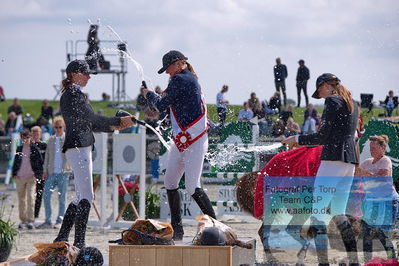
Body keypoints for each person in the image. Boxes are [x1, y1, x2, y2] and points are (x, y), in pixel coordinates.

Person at [53, 59, 134, 248]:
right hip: (79, 147)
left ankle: (62, 237)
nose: (89, 76)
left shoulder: (74, 93)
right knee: (87, 196)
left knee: (79, 195)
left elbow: (92, 124)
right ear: (74, 74)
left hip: (81, 147)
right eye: (86, 73)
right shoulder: (73, 94)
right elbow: (92, 118)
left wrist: (116, 125)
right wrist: (118, 121)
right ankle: (79, 242)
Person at [282, 73, 359, 265]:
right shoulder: (354, 103)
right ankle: (354, 261)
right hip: (349, 163)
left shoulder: (333, 102)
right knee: (339, 213)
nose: (321, 95)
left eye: (320, 91)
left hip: (332, 160)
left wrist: (297, 139)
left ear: (326, 85)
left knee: (318, 212)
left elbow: (323, 137)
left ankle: (323, 262)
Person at [143, 50, 216, 240]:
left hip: (194, 140)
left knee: (192, 186)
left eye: (168, 68)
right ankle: (178, 230)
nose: (167, 72)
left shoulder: (180, 80)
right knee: (170, 182)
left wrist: (149, 94)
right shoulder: (186, 78)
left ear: (178, 64)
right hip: (185, 140)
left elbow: (161, 105)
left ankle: (217, 226)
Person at [356, 135, 397, 262]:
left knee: (380, 233)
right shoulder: (367, 162)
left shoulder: (386, 161)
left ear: (383, 148)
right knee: (366, 232)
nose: (371, 150)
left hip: (387, 201)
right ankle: (368, 261)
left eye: (374, 147)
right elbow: (356, 172)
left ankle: (393, 259)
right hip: (372, 202)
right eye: (370, 148)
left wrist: (365, 174)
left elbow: (382, 179)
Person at [38, 117, 71, 229]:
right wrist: (45, 171)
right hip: (51, 172)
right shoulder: (51, 139)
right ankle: (47, 220)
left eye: (60, 127)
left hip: (64, 172)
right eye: (56, 127)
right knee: (46, 195)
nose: (58, 129)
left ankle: (59, 220)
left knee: (62, 198)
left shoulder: (67, 138)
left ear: (64, 127)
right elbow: (47, 156)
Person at [12, 129, 43, 230]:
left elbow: (40, 162)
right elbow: (16, 161)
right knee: (21, 199)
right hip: (20, 177)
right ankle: (23, 220)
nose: (26, 139)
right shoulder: (19, 148)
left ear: (30, 137)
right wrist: (14, 173)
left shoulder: (34, 148)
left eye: (27, 137)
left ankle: (30, 220)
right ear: (21, 138)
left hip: (31, 177)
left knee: (31, 198)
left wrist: (37, 175)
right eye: (24, 137)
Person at [31, 126, 47, 219]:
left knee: (39, 195)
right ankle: (30, 214)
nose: (36, 136)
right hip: (31, 174)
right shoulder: (29, 146)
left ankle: (35, 215)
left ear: (40, 134)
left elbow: (47, 159)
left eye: (37, 134)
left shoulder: (44, 145)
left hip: (41, 173)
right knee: (30, 195)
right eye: (34, 134)